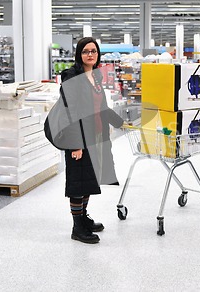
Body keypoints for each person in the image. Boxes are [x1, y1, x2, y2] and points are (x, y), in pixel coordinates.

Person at [46, 37, 125, 244]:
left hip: (94, 137)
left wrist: (119, 122)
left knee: (88, 180)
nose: (90, 54)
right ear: (79, 55)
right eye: (85, 51)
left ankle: (83, 217)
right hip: (78, 139)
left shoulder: (95, 77)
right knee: (77, 183)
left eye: (93, 51)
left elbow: (100, 107)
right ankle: (77, 227)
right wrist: (76, 144)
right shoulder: (71, 76)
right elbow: (71, 112)